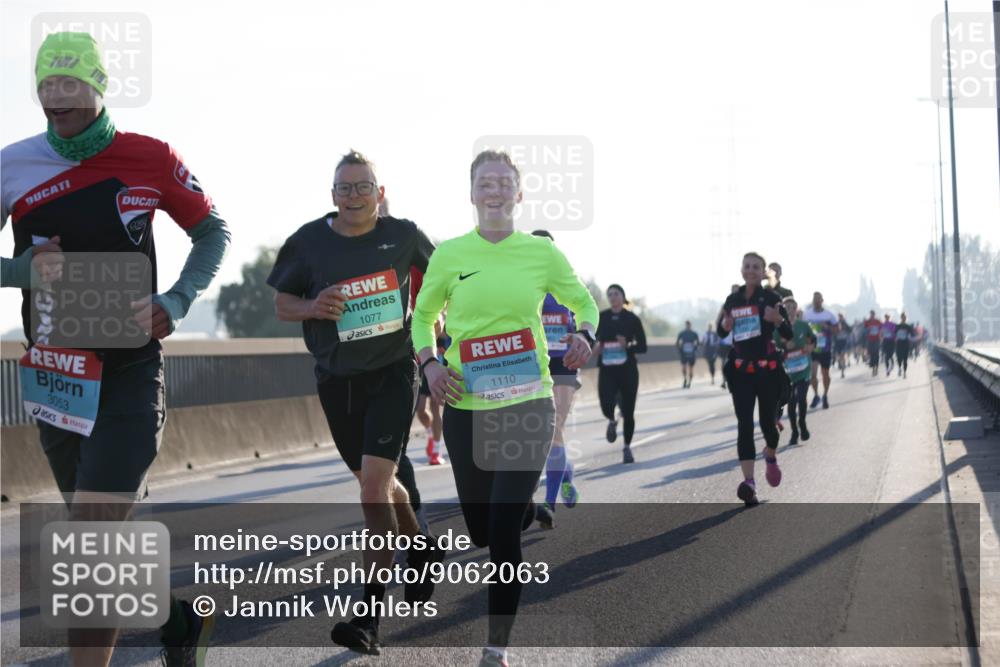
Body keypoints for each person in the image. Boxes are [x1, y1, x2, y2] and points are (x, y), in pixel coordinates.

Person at [1, 33, 231, 667]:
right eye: (46, 84)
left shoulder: (149, 157)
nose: (57, 97)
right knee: (98, 540)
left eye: (71, 84)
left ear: (99, 86)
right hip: (56, 375)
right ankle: (179, 622)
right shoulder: (12, 165)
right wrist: (20, 271)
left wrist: (177, 299)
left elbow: (212, 231)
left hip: (130, 370)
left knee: (92, 539)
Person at [413, 150, 598, 667]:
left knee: (498, 533)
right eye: (484, 182)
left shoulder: (541, 254)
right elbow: (422, 318)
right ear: (471, 194)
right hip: (466, 405)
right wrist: (429, 364)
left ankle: (496, 648)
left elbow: (585, 303)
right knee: (480, 527)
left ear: (518, 194)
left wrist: (584, 334)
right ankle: (525, 509)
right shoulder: (449, 254)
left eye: (503, 182)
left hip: (528, 403)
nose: (493, 190)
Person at [268, 150, 444, 656]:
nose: (354, 196)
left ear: (379, 193)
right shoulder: (307, 241)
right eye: (344, 188)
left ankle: (367, 618)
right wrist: (312, 306)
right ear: (333, 195)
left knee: (372, 491)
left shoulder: (404, 235)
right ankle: (421, 546)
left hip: (393, 372)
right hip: (336, 381)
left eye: (363, 186)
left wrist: (434, 324)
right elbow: (281, 304)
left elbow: (442, 281)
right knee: (381, 485)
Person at [718, 252, 794, 507]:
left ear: (763, 273)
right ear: (742, 270)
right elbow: (721, 330)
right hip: (741, 372)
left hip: (767, 372)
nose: (751, 270)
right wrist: (726, 326)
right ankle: (749, 483)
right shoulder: (732, 299)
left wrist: (777, 319)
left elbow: (788, 333)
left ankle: (770, 455)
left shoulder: (771, 298)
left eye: (756, 267)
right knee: (744, 425)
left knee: (768, 425)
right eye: (747, 266)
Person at [530, 229, 583, 530]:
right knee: (541, 432)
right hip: (533, 364)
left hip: (563, 363)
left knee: (554, 428)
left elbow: (586, 312)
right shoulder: (519, 282)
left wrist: (581, 334)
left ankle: (549, 503)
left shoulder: (566, 281)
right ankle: (565, 474)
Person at [595, 284, 647, 464]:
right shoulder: (602, 317)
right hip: (607, 370)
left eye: (616, 294)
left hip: (627, 370)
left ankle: (627, 448)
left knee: (629, 411)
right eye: (609, 294)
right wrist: (595, 348)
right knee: (605, 404)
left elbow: (643, 347)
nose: (612, 297)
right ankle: (611, 420)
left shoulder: (632, 319)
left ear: (623, 297)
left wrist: (628, 345)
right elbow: (593, 341)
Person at [775, 297, 815, 445]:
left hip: (803, 368)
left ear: (796, 309)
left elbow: (813, 339)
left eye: (792, 307)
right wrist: (785, 347)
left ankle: (802, 423)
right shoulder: (779, 328)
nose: (790, 310)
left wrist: (810, 347)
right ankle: (794, 432)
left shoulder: (803, 325)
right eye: (787, 308)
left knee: (801, 398)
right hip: (788, 371)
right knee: (791, 403)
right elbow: (774, 347)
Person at [803, 292, 839, 409]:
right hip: (813, 348)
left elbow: (837, 331)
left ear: (822, 300)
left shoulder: (829, 315)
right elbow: (802, 330)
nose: (816, 301)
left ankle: (825, 395)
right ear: (813, 301)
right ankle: (816, 395)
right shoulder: (807, 315)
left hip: (825, 349)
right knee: (812, 374)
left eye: (818, 299)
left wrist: (827, 327)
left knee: (825, 374)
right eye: (815, 299)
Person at [676, 320, 700, 389]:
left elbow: (698, 343)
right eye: (687, 325)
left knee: (691, 368)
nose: (688, 326)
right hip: (684, 353)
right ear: (685, 325)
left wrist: (694, 347)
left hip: (691, 353)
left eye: (689, 325)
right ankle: (685, 379)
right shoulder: (682, 333)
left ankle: (689, 382)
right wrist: (680, 348)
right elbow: (677, 342)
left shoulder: (694, 333)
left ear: (690, 325)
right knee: (684, 367)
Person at [894, 313, 915, 378]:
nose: (903, 319)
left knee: (905, 359)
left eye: (904, 318)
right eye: (902, 317)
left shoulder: (908, 327)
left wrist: (909, 336)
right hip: (899, 344)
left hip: (905, 344)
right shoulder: (897, 326)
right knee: (899, 358)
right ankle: (900, 368)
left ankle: (905, 372)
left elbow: (912, 334)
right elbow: (894, 334)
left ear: (905, 318)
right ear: (901, 318)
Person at [863, 310, 881, 377]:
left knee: (876, 354)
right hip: (870, 340)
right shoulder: (867, 322)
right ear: (870, 314)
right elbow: (864, 330)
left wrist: (880, 335)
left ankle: (876, 367)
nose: (872, 315)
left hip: (877, 339)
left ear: (874, 315)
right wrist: (868, 328)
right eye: (871, 314)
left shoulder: (878, 321)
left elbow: (881, 329)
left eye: (873, 314)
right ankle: (873, 366)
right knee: (871, 353)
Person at [834, 313, 851, 378]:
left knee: (842, 355)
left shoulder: (845, 323)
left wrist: (845, 327)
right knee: (839, 356)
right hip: (838, 342)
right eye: (839, 317)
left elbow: (850, 330)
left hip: (844, 341)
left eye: (841, 317)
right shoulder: (835, 324)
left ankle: (842, 372)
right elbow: (833, 332)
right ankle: (841, 365)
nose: (840, 318)